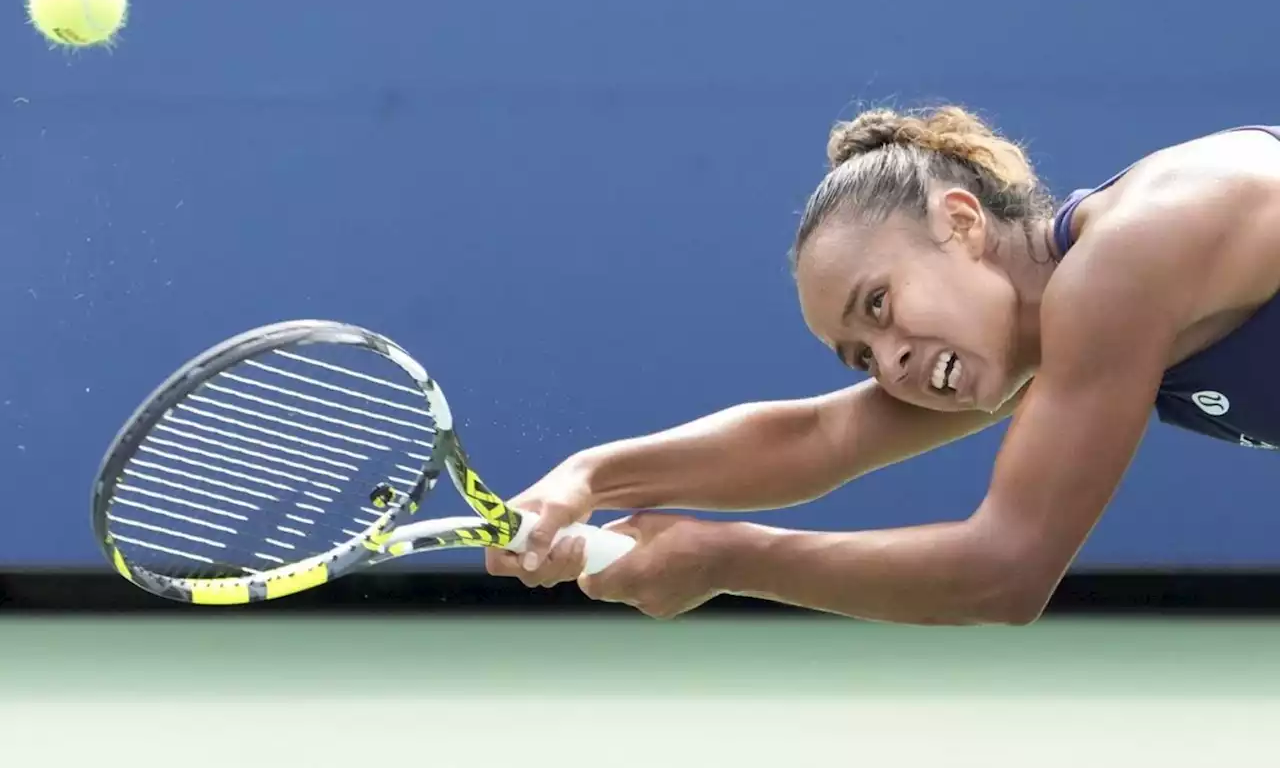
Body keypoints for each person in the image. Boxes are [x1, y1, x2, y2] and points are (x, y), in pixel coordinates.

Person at [485, 105, 1280, 625]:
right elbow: (823, 436)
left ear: (961, 222)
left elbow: (1007, 570)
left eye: (879, 304)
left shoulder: (1126, 260)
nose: (891, 361)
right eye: (860, 354)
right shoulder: (1039, 324)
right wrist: (586, 479)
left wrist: (727, 556)